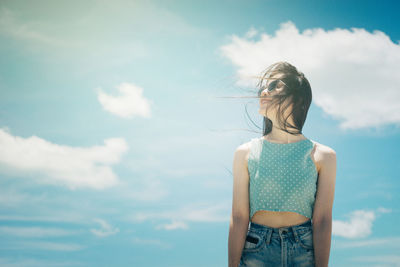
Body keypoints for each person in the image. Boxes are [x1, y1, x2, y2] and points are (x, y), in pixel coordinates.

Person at [228, 61, 336, 267]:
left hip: (305, 251)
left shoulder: (323, 156)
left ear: (298, 98)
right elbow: (239, 216)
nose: (264, 93)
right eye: (263, 88)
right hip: (255, 251)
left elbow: (322, 220)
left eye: (274, 85)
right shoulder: (245, 153)